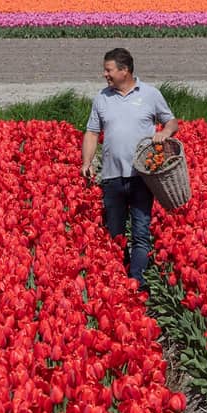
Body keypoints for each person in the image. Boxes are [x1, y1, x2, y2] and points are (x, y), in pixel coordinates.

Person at [81, 48, 179, 291]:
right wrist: (86, 162)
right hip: (112, 175)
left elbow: (171, 121)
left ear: (124, 71)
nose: (104, 74)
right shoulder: (102, 98)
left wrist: (165, 133)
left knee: (141, 230)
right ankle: (120, 275)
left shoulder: (149, 94)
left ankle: (137, 281)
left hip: (142, 176)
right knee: (115, 232)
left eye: (108, 70)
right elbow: (92, 132)